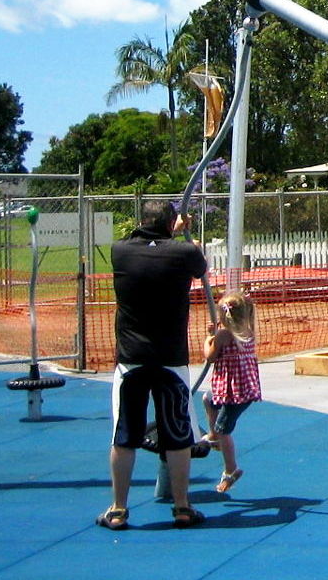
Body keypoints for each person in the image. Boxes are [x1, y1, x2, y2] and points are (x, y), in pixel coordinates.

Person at [98, 201, 208, 531]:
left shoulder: (120, 251)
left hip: (131, 359)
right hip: (170, 359)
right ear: (171, 223)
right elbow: (199, 266)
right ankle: (182, 506)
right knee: (177, 436)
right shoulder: (184, 253)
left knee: (124, 436)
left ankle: (118, 509)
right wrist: (184, 239)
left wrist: (170, 233)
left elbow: (149, 247)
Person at [201, 290, 262, 494]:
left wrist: (209, 337)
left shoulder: (223, 335)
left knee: (224, 430)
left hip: (234, 394)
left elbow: (209, 356)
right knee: (208, 399)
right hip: (240, 390)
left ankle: (231, 470)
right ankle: (213, 435)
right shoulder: (248, 329)